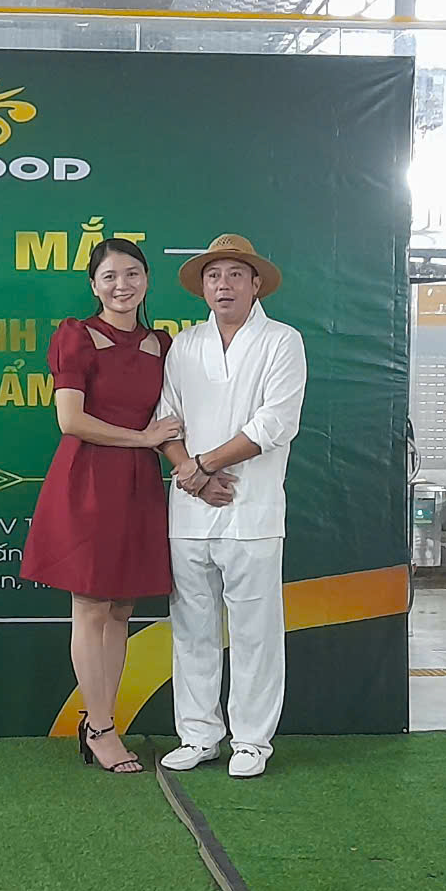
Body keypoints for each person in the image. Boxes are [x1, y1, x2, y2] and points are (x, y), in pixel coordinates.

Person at [20, 238, 184, 773]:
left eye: (132, 274)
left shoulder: (163, 344)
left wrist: (189, 463)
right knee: (90, 607)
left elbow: (174, 415)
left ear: (147, 279)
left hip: (138, 485)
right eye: (110, 276)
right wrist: (143, 439)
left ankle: (102, 721)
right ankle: (101, 729)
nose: (122, 285)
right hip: (88, 480)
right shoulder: (76, 336)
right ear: (94, 285)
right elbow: (70, 420)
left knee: (120, 610)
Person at [155, 234, 306, 779]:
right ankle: (198, 735)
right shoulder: (185, 345)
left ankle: (251, 742)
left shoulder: (282, 341)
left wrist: (204, 465)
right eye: (214, 276)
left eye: (236, 275)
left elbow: (275, 423)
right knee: (192, 628)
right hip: (190, 511)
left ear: (256, 283)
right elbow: (166, 419)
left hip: (253, 511)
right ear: (202, 287)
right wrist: (193, 476)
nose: (224, 285)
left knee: (254, 632)